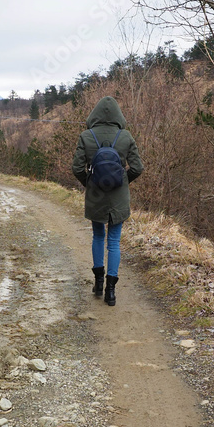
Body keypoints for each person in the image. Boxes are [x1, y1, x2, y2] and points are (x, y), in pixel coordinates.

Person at [72, 96, 144, 306]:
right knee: (114, 242)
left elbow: (77, 168)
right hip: (118, 198)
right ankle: (111, 292)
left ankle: (98, 283)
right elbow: (138, 168)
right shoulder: (125, 136)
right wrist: (123, 181)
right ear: (118, 116)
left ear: (94, 114)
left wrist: (90, 183)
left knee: (97, 236)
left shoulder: (86, 136)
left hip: (95, 196)